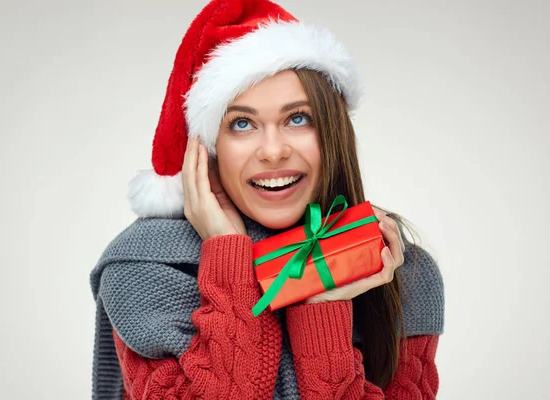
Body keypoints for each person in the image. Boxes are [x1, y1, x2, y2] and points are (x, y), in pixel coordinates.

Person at [89, 0, 445, 399]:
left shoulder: (401, 272)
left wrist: (321, 303)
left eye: (298, 118)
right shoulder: (146, 269)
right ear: (206, 149)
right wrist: (228, 259)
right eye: (242, 123)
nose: (273, 151)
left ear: (333, 132)